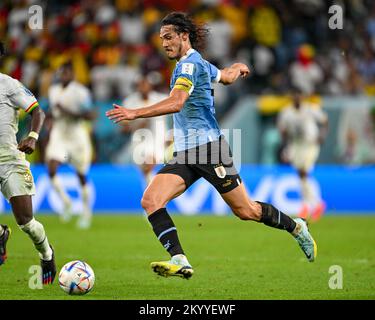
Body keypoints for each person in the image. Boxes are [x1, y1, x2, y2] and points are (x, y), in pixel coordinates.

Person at [106, 12, 317, 279]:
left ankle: (296, 227)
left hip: (210, 150)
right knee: (151, 200)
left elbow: (176, 102)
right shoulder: (198, 64)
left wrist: (135, 113)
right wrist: (237, 68)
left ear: (184, 36)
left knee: (246, 211)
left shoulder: (188, 67)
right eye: (161, 39)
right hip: (185, 153)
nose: (164, 43)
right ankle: (180, 259)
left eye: (169, 37)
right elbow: (224, 76)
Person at [0, 42, 56, 284]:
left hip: (8, 159)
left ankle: (46, 254)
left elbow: (38, 112)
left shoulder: (8, 85)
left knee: (26, 222)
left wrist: (32, 137)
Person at [45, 62, 95, 229]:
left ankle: (86, 212)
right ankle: (66, 202)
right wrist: (50, 118)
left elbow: (90, 115)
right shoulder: (53, 90)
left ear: (72, 75)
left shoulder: (81, 92)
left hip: (76, 134)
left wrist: (66, 111)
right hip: (59, 133)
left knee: (81, 174)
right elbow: (52, 111)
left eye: (66, 73)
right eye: (61, 73)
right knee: (51, 167)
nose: (63, 76)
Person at [278, 90, 328, 221]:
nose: (297, 98)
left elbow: (324, 121)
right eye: (294, 95)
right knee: (301, 175)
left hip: (310, 144)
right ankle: (313, 204)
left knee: (303, 172)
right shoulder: (286, 112)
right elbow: (282, 130)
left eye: (298, 95)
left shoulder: (311, 109)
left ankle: (310, 205)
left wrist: (322, 135)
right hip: (296, 145)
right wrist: (286, 147)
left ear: (302, 97)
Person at [115, 75, 169, 185]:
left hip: (159, 139)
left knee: (150, 166)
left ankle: (151, 193)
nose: (143, 86)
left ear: (151, 85)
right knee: (146, 168)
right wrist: (137, 126)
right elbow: (123, 127)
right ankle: (151, 193)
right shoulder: (130, 101)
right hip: (140, 141)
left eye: (146, 83)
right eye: (141, 84)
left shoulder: (160, 98)